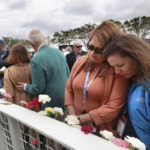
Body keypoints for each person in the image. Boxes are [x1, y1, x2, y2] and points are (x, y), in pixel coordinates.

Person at [65, 20, 128, 134]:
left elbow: (113, 107)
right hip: (74, 122)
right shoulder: (81, 62)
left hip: (100, 129)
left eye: (99, 50)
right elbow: (68, 87)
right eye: (91, 46)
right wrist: (72, 114)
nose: (93, 52)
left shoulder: (116, 69)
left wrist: (81, 119)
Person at [103, 33, 150, 149]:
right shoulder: (133, 78)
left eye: (120, 65)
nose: (117, 72)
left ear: (136, 56)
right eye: (113, 67)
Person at [17, 29, 70, 110]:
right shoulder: (59, 52)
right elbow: (68, 75)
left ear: (31, 43)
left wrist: (25, 86)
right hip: (66, 99)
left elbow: (38, 88)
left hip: (51, 104)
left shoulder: (36, 59)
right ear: (44, 39)